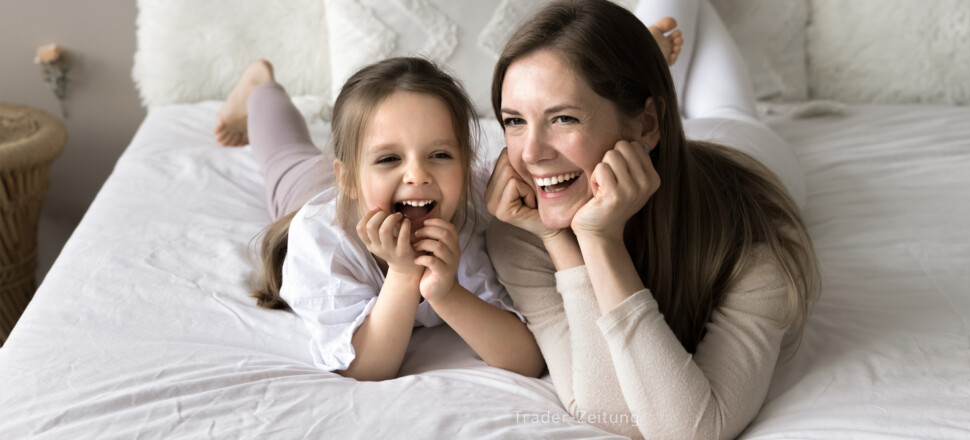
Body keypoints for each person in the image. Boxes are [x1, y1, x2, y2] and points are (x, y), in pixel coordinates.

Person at [483, 0, 820, 438]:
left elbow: (694, 430)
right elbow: (607, 413)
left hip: (739, 143)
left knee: (726, 103)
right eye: (514, 121)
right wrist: (562, 243)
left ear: (646, 125)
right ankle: (645, 53)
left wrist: (600, 241)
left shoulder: (752, 235)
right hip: (651, 139)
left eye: (563, 118)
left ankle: (647, 52)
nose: (530, 154)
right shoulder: (521, 230)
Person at [214, 57, 544, 381]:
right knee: (284, 151)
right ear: (347, 178)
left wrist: (446, 292)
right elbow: (365, 367)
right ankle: (260, 86)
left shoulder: (470, 218)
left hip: (378, 189)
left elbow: (525, 360)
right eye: (389, 158)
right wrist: (404, 273)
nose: (418, 174)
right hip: (318, 193)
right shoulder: (320, 237)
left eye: (440, 154)